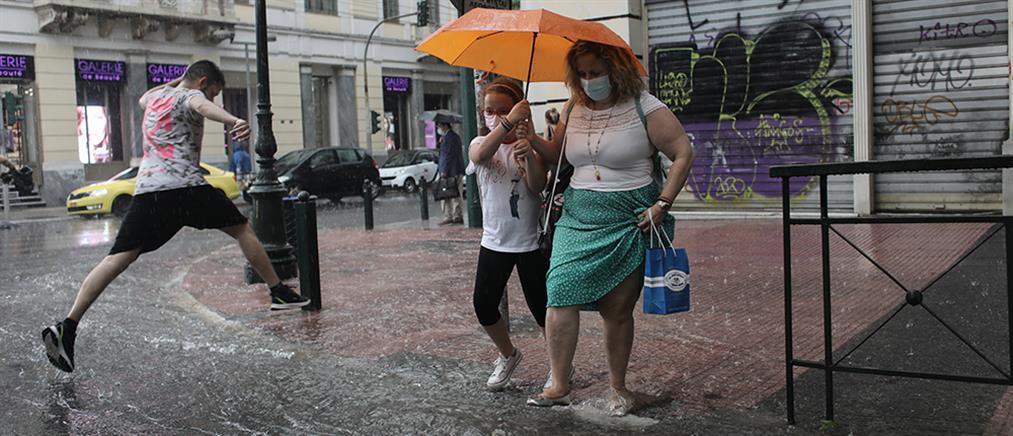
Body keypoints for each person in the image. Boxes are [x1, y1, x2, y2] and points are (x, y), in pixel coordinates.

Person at [41, 60, 310, 373]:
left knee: (117, 257)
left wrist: (179, 80)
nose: (211, 99)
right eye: (213, 92)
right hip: (185, 188)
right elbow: (201, 105)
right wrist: (234, 119)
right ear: (203, 82)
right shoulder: (191, 96)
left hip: (148, 191)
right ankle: (278, 291)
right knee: (242, 230)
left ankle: (68, 326)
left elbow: (147, 96)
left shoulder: (153, 99)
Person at [521, 41, 695, 415]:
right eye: (582, 73)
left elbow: (683, 152)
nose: (589, 80)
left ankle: (619, 388)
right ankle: (558, 384)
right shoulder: (573, 107)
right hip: (578, 216)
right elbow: (556, 155)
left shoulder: (645, 106)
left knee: (616, 309)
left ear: (615, 70)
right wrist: (531, 136)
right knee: (559, 292)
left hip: (628, 218)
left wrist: (663, 203)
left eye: (596, 72)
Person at [467, 77, 551, 391]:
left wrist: (527, 154)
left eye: (503, 109)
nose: (495, 116)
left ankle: (559, 365)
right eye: (489, 111)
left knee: (543, 310)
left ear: (519, 110)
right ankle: (508, 354)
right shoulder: (481, 143)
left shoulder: (529, 144)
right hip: (495, 241)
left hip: (530, 243)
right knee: (483, 304)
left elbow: (537, 186)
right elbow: (479, 156)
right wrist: (506, 123)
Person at [437, 119, 465, 225]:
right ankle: (456, 215)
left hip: (450, 171)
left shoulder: (449, 138)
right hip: (455, 170)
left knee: (447, 194)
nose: (438, 128)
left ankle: (450, 216)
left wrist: (444, 170)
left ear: (445, 126)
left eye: (439, 125)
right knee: (455, 193)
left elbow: (447, 155)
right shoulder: (453, 137)